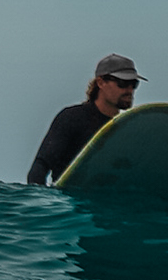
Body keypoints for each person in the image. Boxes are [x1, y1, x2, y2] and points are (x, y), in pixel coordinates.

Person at [28, 53, 145, 186]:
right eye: (123, 83)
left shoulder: (128, 127)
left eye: (134, 84)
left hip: (111, 201)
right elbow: (40, 166)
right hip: (69, 202)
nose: (129, 90)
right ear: (101, 82)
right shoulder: (72, 118)